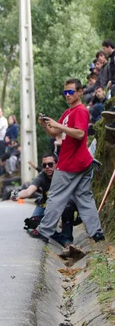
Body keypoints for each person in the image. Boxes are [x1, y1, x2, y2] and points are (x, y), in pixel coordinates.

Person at [27, 79, 105, 245]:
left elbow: (79, 134)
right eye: (65, 93)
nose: (67, 95)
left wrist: (58, 126)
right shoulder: (68, 112)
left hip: (71, 163)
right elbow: (54, 132)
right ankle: (96, 232)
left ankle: (44, 230)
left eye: (70, 92)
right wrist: (45, 125)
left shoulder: (81, 111)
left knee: (55, 196)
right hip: (81, 163)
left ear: (79, 92)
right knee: (84, 197)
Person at [13, 154, 77, 246]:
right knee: (33, 224)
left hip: (63, 205)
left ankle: (67, 240)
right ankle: (60, 238)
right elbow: (28, 191)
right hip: (45, 205)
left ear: (57, 164)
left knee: (68, 207)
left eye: (50, 164)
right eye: (44, 165)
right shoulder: (41, 176)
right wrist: (18, 195)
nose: (47, 167)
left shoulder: (64, 175)